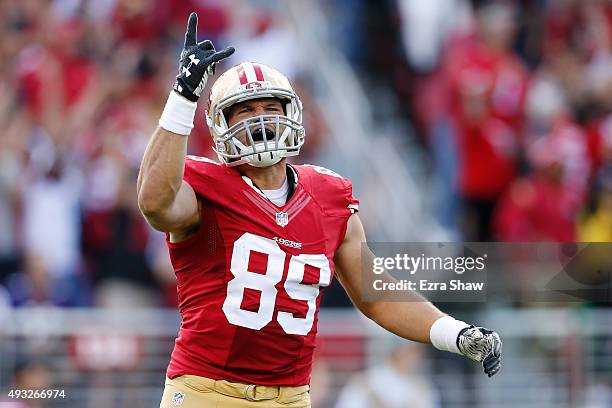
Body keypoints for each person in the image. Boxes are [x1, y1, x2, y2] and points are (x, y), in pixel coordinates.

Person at [137, 13, 502, 408]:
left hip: (291, 398)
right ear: (219, 124)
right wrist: (182, 96)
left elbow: (377, 294)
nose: (259, 120)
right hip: (206, 391)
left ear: (291, 113)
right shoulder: (205, 186)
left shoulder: (328, 195)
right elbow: (155, 203)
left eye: (269, 106)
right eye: (244, 110)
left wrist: (455, 333)